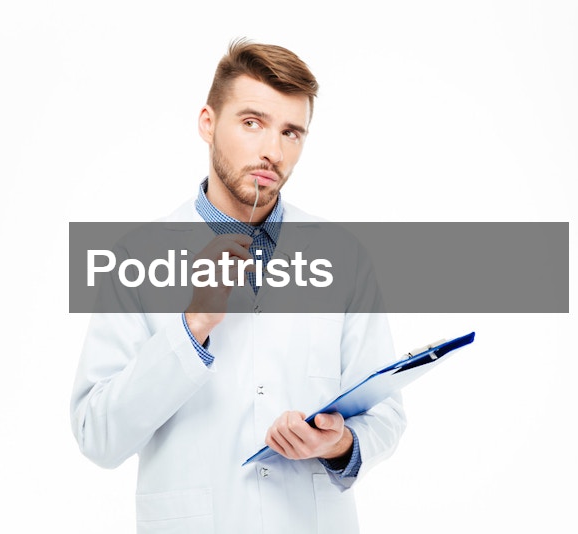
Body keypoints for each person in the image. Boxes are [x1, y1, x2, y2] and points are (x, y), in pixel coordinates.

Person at [70, 39, 406, 534]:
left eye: (291, 132)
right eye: (252, 123)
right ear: (208, 123)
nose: (273, 151)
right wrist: (192, 327)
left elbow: (385, 413)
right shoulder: (136, 258)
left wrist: (337, 444)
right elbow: (97, 434)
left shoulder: (343, 256)